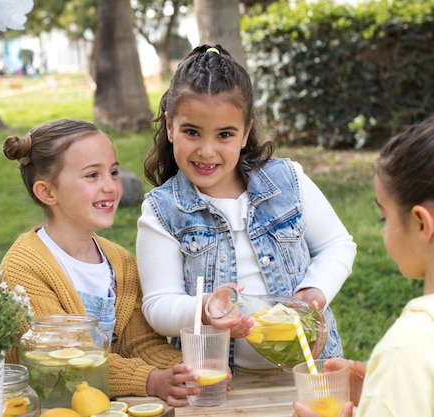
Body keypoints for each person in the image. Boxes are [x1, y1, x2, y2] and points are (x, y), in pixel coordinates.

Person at [136, 44, 357, 373]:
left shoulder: (286, 181)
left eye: (224, 134)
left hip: (309, 369)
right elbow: (158, 305)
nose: (207, 150)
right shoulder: (163, 211)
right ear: (170, 127)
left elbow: (337, 244)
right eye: (192, 132)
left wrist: (314, 290)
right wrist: (205, 308)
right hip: (218, 380)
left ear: (245, 133)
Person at [0, 119, 200, 406]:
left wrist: (185, 370)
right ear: (47, 192)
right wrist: (150, 380)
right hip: (49, 408)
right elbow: (67, 359)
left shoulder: (120, 262)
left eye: (114, 172)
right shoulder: (25, 267)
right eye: (92, 175)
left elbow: (140, 344)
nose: (110, 186)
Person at [293, 114, 434, 417]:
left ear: (422, 224)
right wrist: (380, 392)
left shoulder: (407, 349)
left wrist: (393, 382)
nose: (384, 229)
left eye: (385, 217)